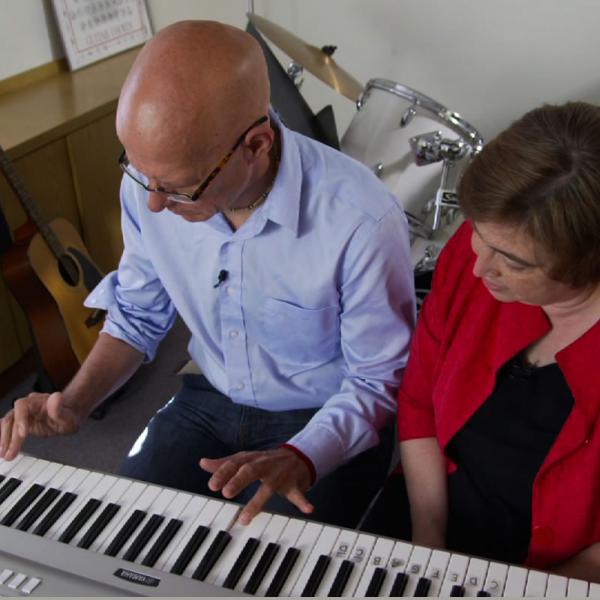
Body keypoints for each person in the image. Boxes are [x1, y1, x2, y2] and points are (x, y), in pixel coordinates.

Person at [0, 20, 416, 528]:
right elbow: (136, 313)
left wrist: (304, 456)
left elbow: (376, 381)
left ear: (258, 145)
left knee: (269, 569)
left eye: (179, 188)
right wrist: (74, 403)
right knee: (118, 533)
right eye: (140, 174)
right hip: (208, 396)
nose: (153, 202)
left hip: (320, 416)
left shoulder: (361, 221)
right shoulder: (152, 183)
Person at [362, 101, 600, 582]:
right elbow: (419, 402)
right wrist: (429, 540)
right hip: (425, 514)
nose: (477, 266)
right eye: (477, 232)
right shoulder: (478, 256)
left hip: (552, 576)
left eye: (514, 262)